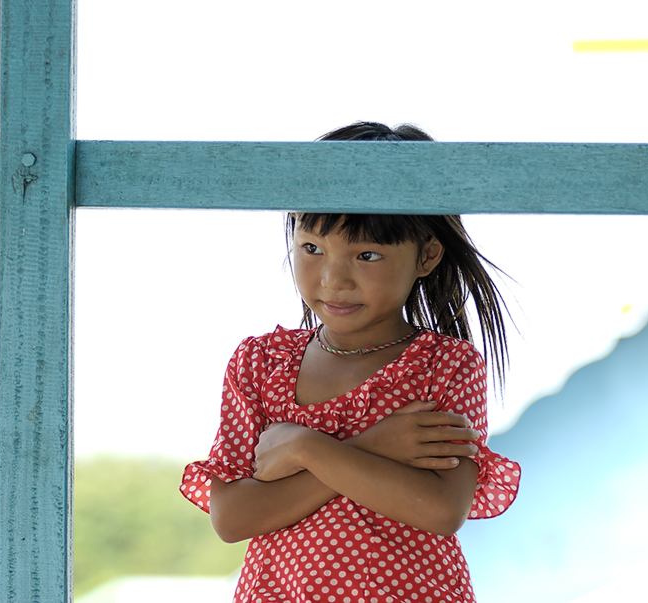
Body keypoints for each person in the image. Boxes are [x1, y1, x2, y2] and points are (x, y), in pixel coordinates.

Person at [180, 122, 521, 603]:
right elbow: (233, 518)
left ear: (426, 256)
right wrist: (375, 445)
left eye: (367, 254)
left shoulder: (444, 366)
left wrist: (304, 448)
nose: (333, 279)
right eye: (312, 249)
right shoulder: (260, 364)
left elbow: (442, 508)